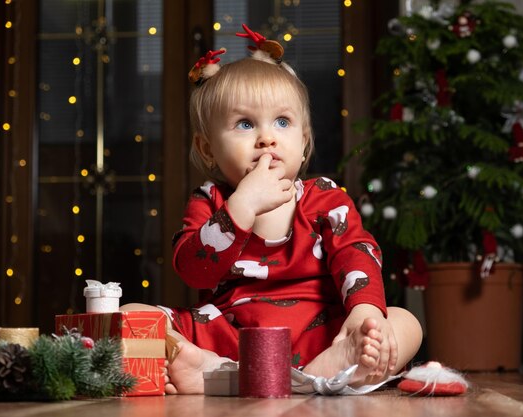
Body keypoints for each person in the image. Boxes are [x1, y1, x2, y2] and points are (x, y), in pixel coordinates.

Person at [122, 24, 422, 395]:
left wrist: (363, 313)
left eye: (283, 121)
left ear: (303, 139)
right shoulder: (210, 201)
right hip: (230, 335)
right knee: (130, 315)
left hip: (322, 331)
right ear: (207, 149)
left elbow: (356, 253)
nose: (267, 137)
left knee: (405, 322)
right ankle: (216, 370)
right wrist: (241, 205)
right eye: (245, 124)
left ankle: (338, 363)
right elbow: (194, 271)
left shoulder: (323, 195)